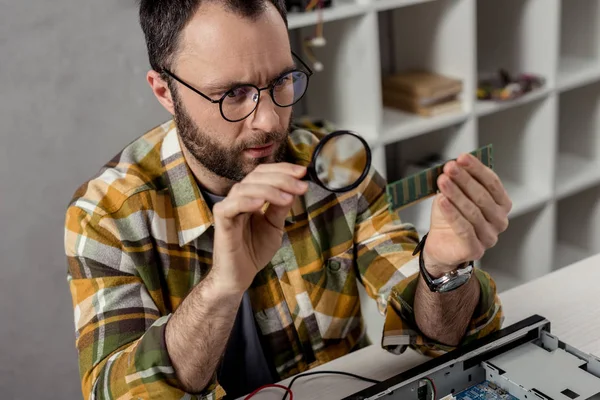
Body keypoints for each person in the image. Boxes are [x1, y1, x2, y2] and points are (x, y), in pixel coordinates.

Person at [63, 1, 512, 399]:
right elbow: (115, 392)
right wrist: (223, 287)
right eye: (232, 94)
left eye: (282, 81)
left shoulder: (334, 171)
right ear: (165, 91)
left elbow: (440, 336)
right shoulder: (106, 216)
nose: (268, 120)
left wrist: (443, 271)